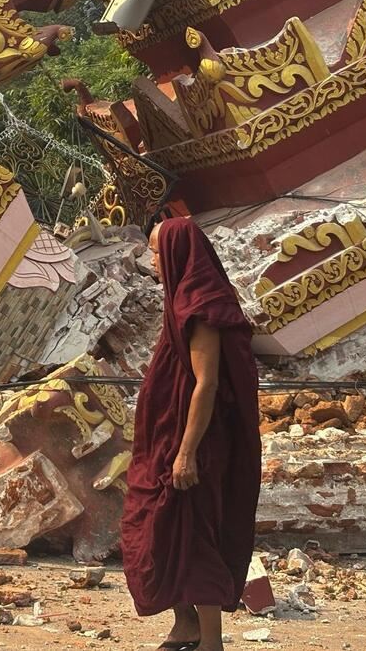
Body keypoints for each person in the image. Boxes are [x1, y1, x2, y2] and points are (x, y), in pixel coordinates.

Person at [121, 217, 262, 651]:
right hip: (164, 438)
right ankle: (185, 626)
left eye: (156, 252)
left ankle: (211, 642)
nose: (152, 260)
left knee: (195, 531)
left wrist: (186, 453)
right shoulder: (179, 298)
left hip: (194, 442)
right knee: (157, 527)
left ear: (178, 253)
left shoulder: (203, 305)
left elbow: (207, 383)